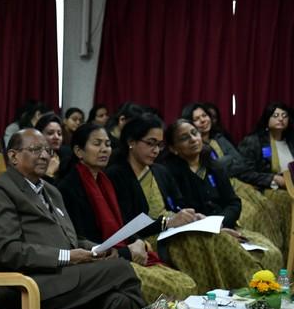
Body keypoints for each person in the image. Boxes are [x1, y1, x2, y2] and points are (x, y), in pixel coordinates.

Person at [0, 128, 145, 309]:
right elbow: (8, 251)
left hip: (64, 277)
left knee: (119, 302)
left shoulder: (51, 190)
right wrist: (67, 257)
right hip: (27, 286)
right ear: (13, 156)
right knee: (121, 268)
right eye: (36, 150)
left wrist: (95, 249)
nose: (44, 156)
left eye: (47, 150)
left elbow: (70, 239)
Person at [105, 114, 267, 293]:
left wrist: (196, 219)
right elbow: (127, 221)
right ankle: (216, 294)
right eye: (150, 143)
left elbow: (177, 207)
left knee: (220, 238)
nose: (156, 150)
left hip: (172, 229)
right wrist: (167, 222)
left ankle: (250, 290)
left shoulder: (159, 171)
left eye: (159, 145)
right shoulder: (116, 175)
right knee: (199, 243)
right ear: (131, 142)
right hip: (150, 237)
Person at [57, 123, 196, 302]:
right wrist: (126, 252)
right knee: (172, 289)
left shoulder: (105, 182)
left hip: (122, 251)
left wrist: (137, 241)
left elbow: (123, 224)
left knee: (185, 281)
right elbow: (80, 239)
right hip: (100, 261)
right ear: (79, 151)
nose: (104, 149)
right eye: (97, 144)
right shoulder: (68, 188)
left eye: (107, 144)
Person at [163, 119, 282, 275]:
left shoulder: (214, 166)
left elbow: (233, 203)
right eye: (184, 138)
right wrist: (215, 229)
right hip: (195, 234)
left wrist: (221, 224)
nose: (193, 139)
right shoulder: (168, 173)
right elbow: (178, 210)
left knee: (271, 253)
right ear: (173, 148)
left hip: (224, 225)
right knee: (242, 259)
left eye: (194, 133)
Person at [181, 102, 285, 246]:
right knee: (249, 216)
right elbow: (213, 167)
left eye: (204, 116)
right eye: (197, 119)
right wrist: (227, 161)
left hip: (238, 184)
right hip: (219, 190)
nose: (203, 120)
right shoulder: (193, 148)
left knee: (266, 209)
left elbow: (240, 163)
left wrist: (223, 164)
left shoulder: (219, 138)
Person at [238, 102, 293, 254]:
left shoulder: (291, 141)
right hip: (267, 188)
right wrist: (273, 179)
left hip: (291, 185)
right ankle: (289, 252)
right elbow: (244, 172)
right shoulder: (254, 141)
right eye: (275, 115)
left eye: (284, 116)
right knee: (289, 201)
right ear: (267, 119)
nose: (280, 119)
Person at [35, 113, 72, 182]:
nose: (56, 137)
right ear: (39, 135)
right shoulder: (32, 159)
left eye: (59, 134)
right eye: (50, 133)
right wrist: (49, 173)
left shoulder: (67, 157)